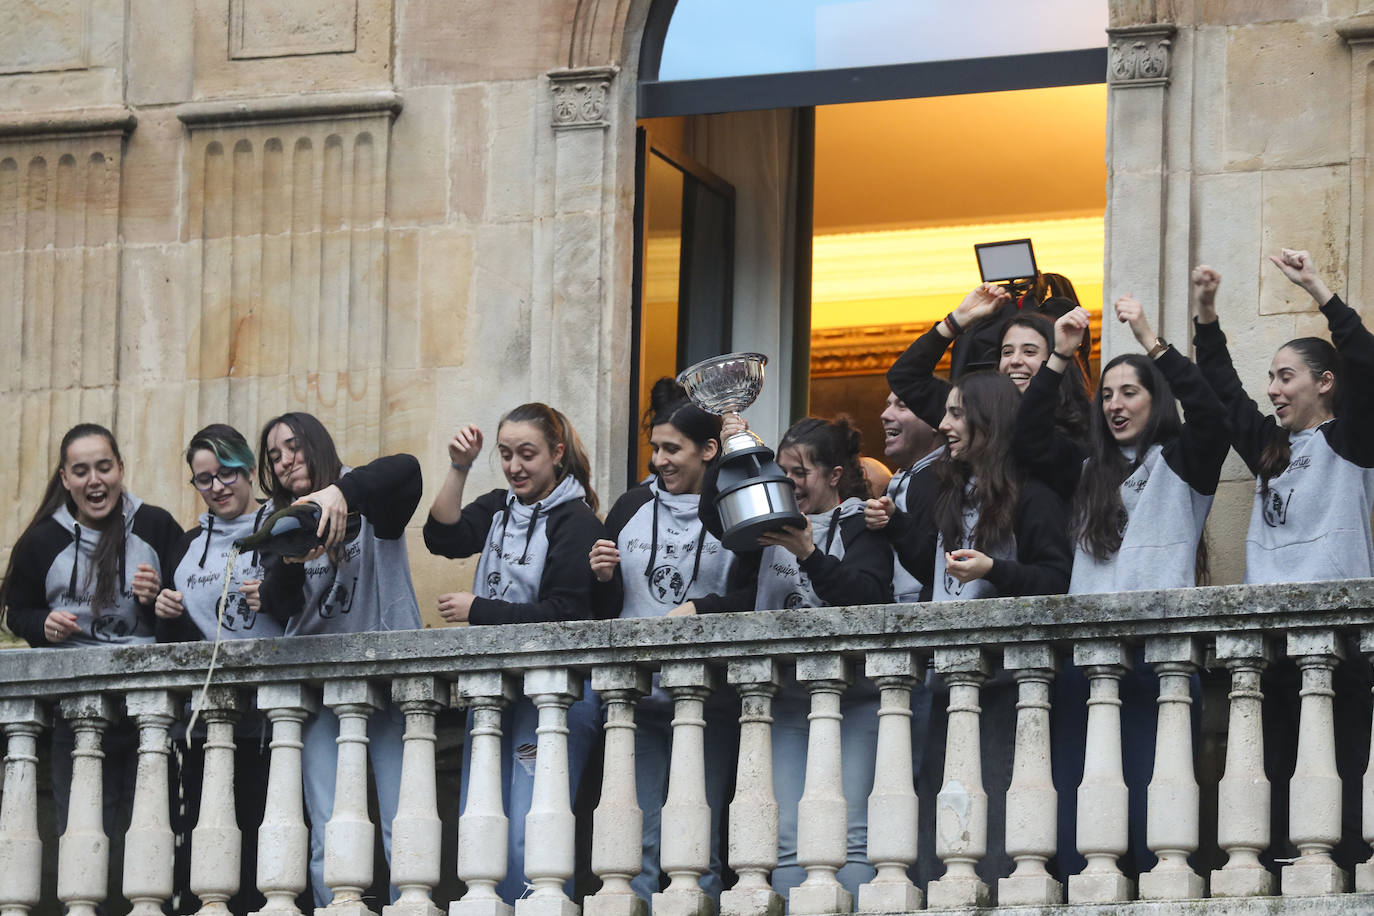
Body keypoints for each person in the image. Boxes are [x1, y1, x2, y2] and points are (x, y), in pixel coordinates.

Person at [1018, 290, 1228, 881]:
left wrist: (1152, 342)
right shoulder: (1086, 468)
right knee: (1079, 815)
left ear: (1154, 398)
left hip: (1159, 668)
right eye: (1106, 394)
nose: (1114, 404)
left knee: (1151, 813)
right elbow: (1028, 441)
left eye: (1129, 391)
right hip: (1087, 666)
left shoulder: (1182, 461)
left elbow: (1211, 414)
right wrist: (1059, 358)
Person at [1194, 250, 1374, 872]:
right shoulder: (1269, 447)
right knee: (1272, 769)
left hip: (1340, 646)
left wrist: (1319, 290)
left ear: (1324, 382)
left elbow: (1368, 364)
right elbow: (1221, 390)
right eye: (1270, 376)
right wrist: (1207, 315)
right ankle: (1272, 871)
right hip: (1270, 646)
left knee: (1341, 767)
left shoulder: (1352, 440)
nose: (1273, 388)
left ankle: (1344, 870)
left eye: (1286, 376)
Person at [677, 414, 892, 902]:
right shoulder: (766, 522)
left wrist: (810, 553)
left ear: (835, 476)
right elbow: (715, 515)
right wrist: (732, 447)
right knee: (788, 838)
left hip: (855, 700)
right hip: (784, 702)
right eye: (783, 470)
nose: (789, 482)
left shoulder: (866, 523)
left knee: (851, 835)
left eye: (801, 472)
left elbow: (868, 598)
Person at [885, 372, 1071, 891]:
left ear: (990, 421)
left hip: (1008, 686)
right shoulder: (947, 492)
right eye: (945, 412)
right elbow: (941, 578)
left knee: (994, 814)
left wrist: (994, 570)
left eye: (956, 413)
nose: (943, 424)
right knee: (936, 812)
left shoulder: (1033, 496)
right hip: (945, 680)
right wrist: (897, 528)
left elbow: (1057, 580)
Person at [423, 402, 605, 903]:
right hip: (498, 692)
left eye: (527, 454)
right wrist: (460, 467)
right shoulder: (500, 506)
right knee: (482, 826)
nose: (514, 467)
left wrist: (478, 609)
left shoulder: (577, 520)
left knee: (532, 832)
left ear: (557, 454)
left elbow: (565, 614)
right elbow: (442, 536)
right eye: (505, 455)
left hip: (556, 695)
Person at [256, 411, 424, 907]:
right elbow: (280, 608)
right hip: (317, 692)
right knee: (327, 827)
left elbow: (409, 467)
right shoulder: (282, 523)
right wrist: (288, 562)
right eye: (274, 456)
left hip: (389, 685)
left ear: (317, 444)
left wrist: (341, 493)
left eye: (293, 447)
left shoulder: (371, 504)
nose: (286, 462)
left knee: (404, 820)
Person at [589, 379, 740, 902]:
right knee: (641, 841)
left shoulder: (732, 509)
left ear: (709, 450)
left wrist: (700, 608)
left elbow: (750, 596)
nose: (659, 460)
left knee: (700, 840)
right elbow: (604, 610)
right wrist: (602, 578)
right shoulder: (630, 505)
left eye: (671, 449)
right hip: (637, 702)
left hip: (708, 699)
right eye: (655, 448)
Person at [0, 422, 182, 841]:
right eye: (80, 471)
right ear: (64, 478)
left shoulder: (156, 527)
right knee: (79, 838)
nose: (94, 480)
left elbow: (184, 624)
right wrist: (42, 626)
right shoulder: (42, 542)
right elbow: (18, 612)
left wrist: (156, 601)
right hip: (77, 715)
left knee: (156, 837)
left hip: (149, 712)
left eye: (104, 467)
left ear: (121, 468)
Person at [154, 423, 279, 913]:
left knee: (262, 838)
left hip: (271, 717)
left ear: (249, 468)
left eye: (227, 472)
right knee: (206, 840)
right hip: (205, 721)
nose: (218, 486)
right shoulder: (188, 546)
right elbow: (180, 640)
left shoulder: (280, 528)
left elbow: (297, 605)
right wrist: (165, 610)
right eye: (204, 479)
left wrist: (274, 595)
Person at [888, 283, 1091, 449]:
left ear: (1055, 358)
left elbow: (1030, 423)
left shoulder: (1077, 426)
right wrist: (958, 320)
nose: (1015, 361)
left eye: (1029, 352)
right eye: (1007, 352)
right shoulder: (974, 412)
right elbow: (905, 377)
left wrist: (1060, 358)